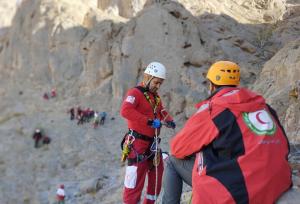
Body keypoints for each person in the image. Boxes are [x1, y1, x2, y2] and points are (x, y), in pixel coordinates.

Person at [162, 61, 292, 204]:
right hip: (278, 183)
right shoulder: (264, 107)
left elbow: (177, 148)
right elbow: (285, 145)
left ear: (211, 85)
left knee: (172, 160)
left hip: (241, 191)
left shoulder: (214, 109)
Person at [120, 61, 176, 204]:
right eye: (156, 83)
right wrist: (149, 121)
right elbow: (125, 111)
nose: (158, 86)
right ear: (148, 77)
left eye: (160, 84)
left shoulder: (155, 97)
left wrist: (168, 119)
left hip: (152, 144)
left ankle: (149, 202)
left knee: (157, 176)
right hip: (137, 144)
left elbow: (161, 110)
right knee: (134, 181)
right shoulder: (135, 93)